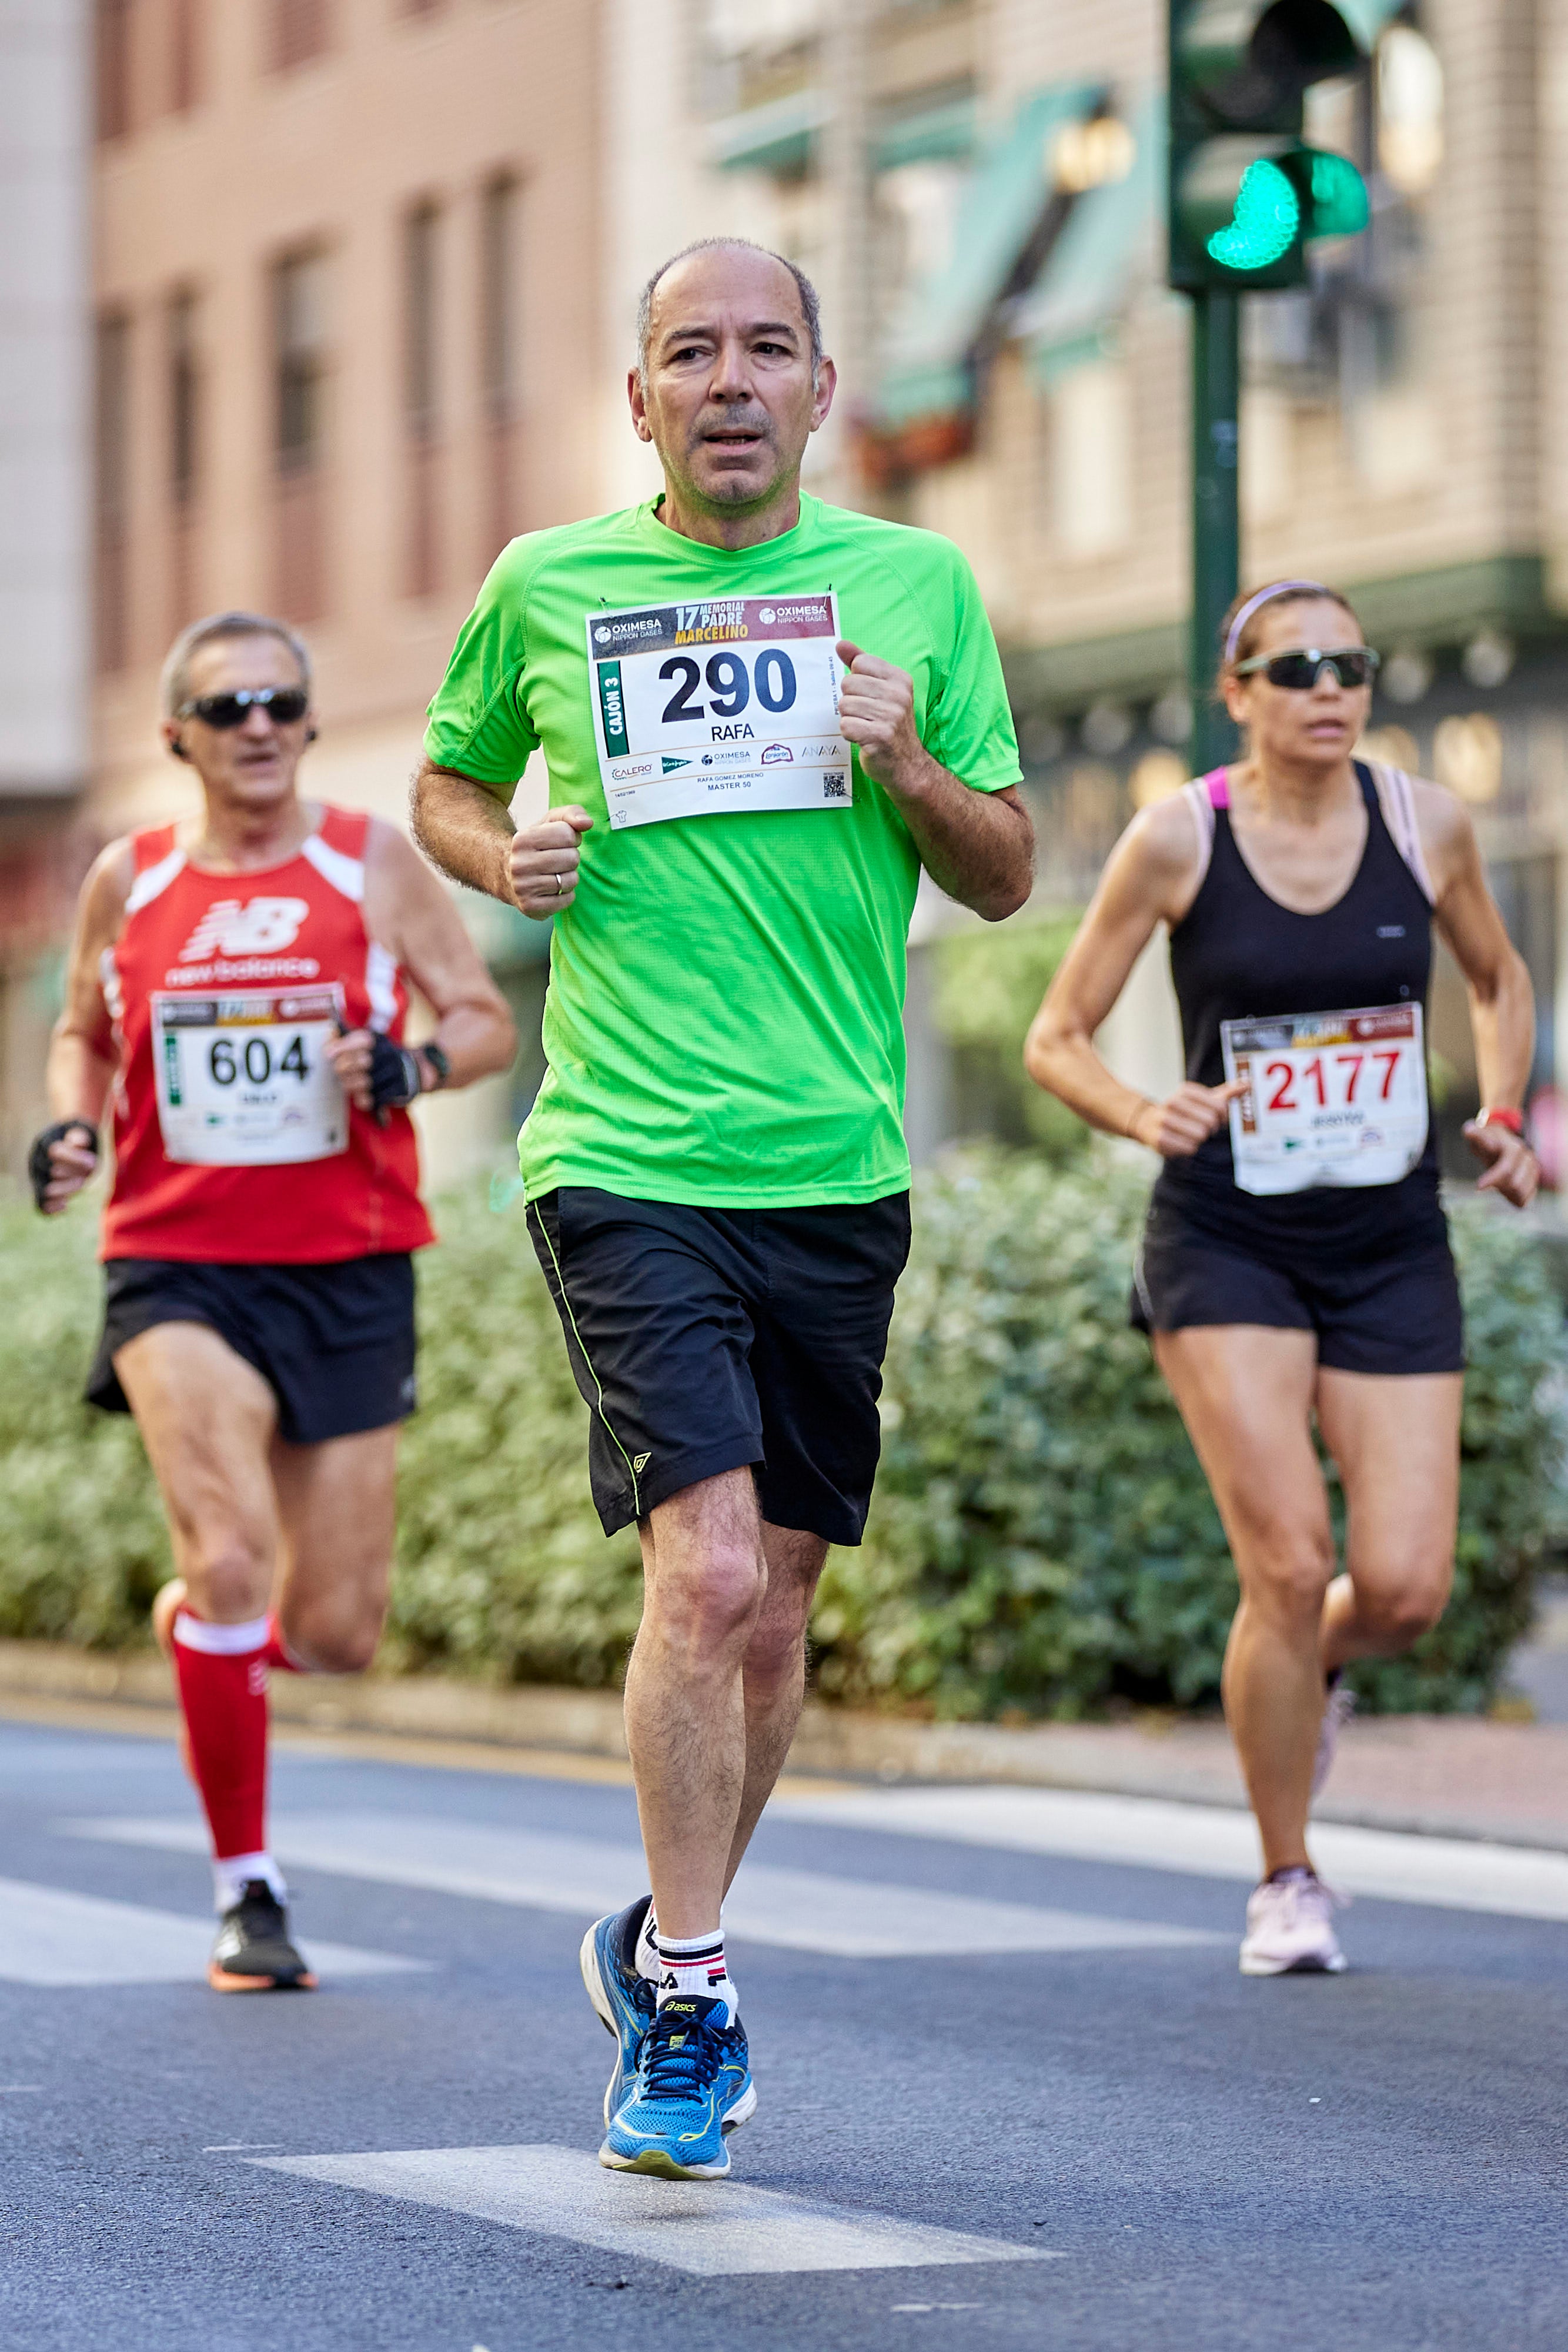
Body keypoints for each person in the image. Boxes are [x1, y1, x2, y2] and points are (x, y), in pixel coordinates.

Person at [412, 238, 1033, 2176]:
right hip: (621, 1152)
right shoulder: (547, 582)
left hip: (835, 1165)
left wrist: (903, 756)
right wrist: (498, 853)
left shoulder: (915, 589)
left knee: (771, 1630)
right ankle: (686, 1996)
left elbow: (1007, 872)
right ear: (641, 400)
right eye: (692, 352)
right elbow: (445, 785)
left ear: (821, 392)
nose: (731, 380)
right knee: (701, 1575)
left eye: (767, 348)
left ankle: (656, 1934)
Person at [1025, 579, 1538, 1975]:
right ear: (1235, 691)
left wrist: (1500, 1108)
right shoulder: (1173, 836)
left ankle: (1302, 1674)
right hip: (1225, 1234)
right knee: (1289, 1558)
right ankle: (1285, 1874)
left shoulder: (1424, 821)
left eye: (1350, 664)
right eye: (1293, 666)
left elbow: (1494, 979)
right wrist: (1143, 1113)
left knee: (1403, 1586)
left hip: (1385, 1239)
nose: (1328, 687)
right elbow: (1053, 1033)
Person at [35, 610, 516, 1992]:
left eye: (280, 703)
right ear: (176, 734)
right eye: (226, 704)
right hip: (174, 1263)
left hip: (349, 1263)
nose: (258, 724)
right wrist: (72, 1127)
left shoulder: (369, 861)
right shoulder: (128, 879)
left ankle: (209, 1634)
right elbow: (80, 1030)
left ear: (307, 724)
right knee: (233, 1549)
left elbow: (480, 1016)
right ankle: (248, 1886)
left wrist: (414, 1067)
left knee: (334, 1632)